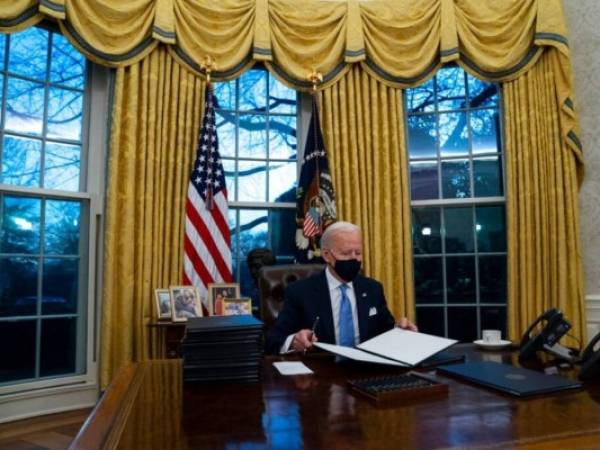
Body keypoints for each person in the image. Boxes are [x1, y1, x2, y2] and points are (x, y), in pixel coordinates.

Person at [266, 221, 417, 354]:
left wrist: (399, 333)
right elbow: (274, 341)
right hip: (321, 375)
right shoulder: (299, 292)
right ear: (326, 255)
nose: (354, 258)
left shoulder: (372, 289)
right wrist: (294, 341)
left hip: (365, 372)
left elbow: (385, 332)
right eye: (346, 253)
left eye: (358, 253)